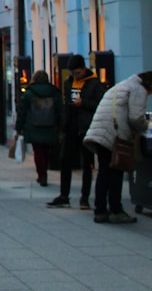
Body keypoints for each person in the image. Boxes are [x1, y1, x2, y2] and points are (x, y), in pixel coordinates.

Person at [84, 70, 152, 224]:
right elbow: (136, 117)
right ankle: (116, 210)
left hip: (101, 133)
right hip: (113, 135)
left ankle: (100, 210)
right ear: (150, 86)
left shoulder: (122, 85)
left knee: (104, 172)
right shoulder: (138, 90)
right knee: (116, 172)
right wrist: (150, 127)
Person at [48, 54, 103, 209]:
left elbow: (99, 103)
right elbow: (66, 104)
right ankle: (64, 195)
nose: (75, 75)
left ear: (84, 68)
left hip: (86, 127)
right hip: (71, 127)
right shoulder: (69, 83)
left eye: (77, 72)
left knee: (87, 163)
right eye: (73, 73)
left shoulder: (94, 83)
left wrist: (83, 103)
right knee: (65, 161)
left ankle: (84, 198)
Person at [15, 70, 63, 187]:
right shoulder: (54, 92)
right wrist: (61, 126)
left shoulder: (29, 93)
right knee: (46, 151)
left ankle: (41, 174)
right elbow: (60, 111)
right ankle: (44, 172)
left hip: (34, 126)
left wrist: (19, 127)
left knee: (38, 152)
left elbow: (22, 111)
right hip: (50, 126)